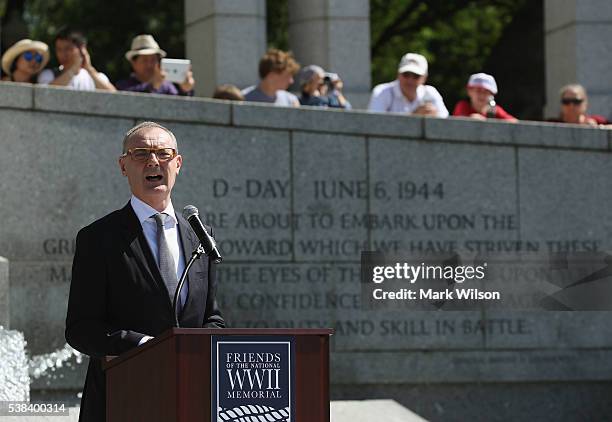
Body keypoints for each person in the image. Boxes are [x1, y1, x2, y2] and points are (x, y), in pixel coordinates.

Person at [65, 121, 224, 422]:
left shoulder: (200, 236)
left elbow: (212, 318)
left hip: (190, 398)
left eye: (163, 153)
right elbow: (81, 328)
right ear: (123, 166)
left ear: (178, 163)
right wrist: (144, 346)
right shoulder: (98, 238)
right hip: (122, 398)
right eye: (140, 154)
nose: (153, 161)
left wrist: (198, 351)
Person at [368, 53, 448, 117]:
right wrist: (414, 116)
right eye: (406, 74)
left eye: (416, 76)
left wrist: (435, 115)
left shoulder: (430, 92)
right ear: (398, 74)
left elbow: (445, 123)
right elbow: (375, 124)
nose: (410, 80)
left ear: (424, 78)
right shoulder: (382, 92)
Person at [37, 28, 115, 91]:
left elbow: (116, 98)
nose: (62, 54)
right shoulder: (48, 75)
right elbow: (45, 93)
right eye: (59, 49)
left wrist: (89, 69)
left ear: (82, 49)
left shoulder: (98, 77)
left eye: (68, 49)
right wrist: (73, 70)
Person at [115, 34, 195, 96]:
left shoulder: (166, 86)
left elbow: (179, 109)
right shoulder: (123, 86)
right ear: (133, 63)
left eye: (153, 60)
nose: (149, 65)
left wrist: (185, 90)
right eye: (144, 60)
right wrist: (152, 86)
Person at [452, 73, 517, 121]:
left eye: (486, 92)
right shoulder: (462, 105)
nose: (482, 95)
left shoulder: (494, 110)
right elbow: (461, 121)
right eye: (478, 91)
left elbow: (514, 123)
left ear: (492, 95)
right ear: (469, 92)